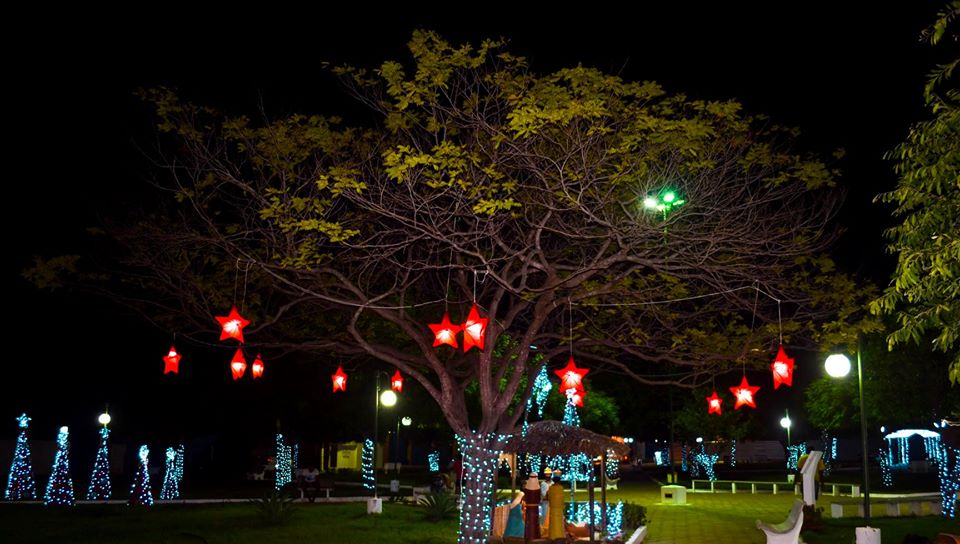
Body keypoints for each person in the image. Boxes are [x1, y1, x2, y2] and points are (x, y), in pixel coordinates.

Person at [522, 473, 542, 541]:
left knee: (529, 523)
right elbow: (539, 498)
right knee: (535, 523)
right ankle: (535, 536)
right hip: (535, 509)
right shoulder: (538, 487)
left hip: (529, 509)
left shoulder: (527, 487)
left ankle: (528, 536)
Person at [546, 474, 566, 540]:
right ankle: (560, 535)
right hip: (559, 509)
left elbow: (548, 497)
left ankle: (552, 536)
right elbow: (562, 498)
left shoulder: (551, 488)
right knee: (559, 523)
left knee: (553, 523)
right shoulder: (560, 488)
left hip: (553, 508)